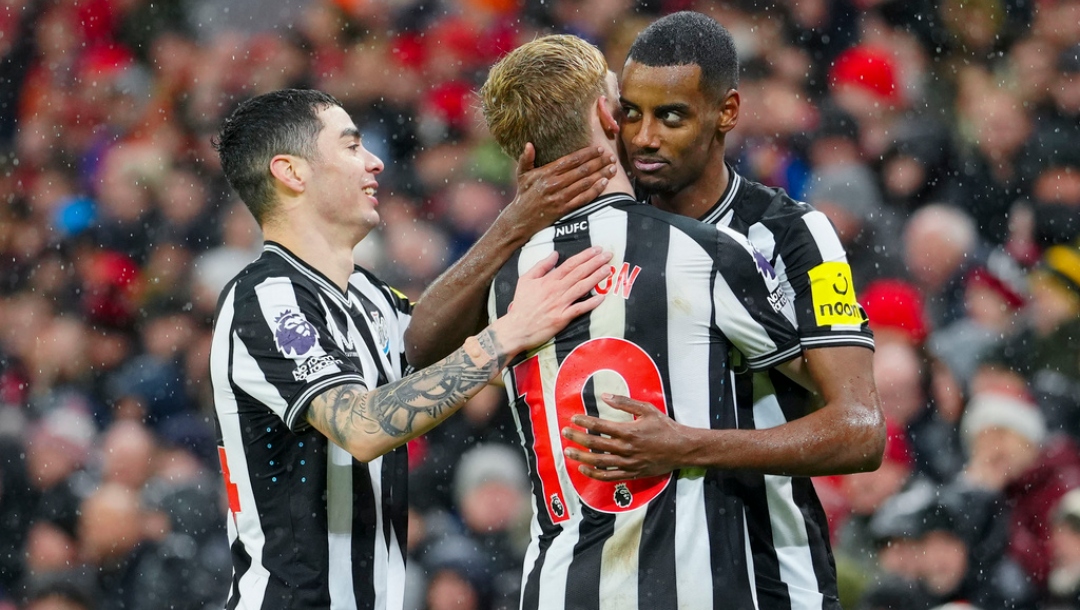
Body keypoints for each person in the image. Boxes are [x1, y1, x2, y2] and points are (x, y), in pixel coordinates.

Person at [406, 11, 884, 609]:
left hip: (770, 571)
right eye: (631, 113)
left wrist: (689, 444)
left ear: (727, 113)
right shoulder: (570, 239)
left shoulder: (793, 235)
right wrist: (515, 219)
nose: (645, 137)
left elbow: (860, 431)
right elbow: (422, 351)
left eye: (672, 116)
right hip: (618, 573)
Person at [208, 88, 613, 608]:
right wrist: (508, 331)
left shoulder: (370, 296)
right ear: (291, 172)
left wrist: (523, 225)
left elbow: (456, 355)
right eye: (352, 147)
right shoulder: (265, 298)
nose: (375, 161)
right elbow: (363, 426)